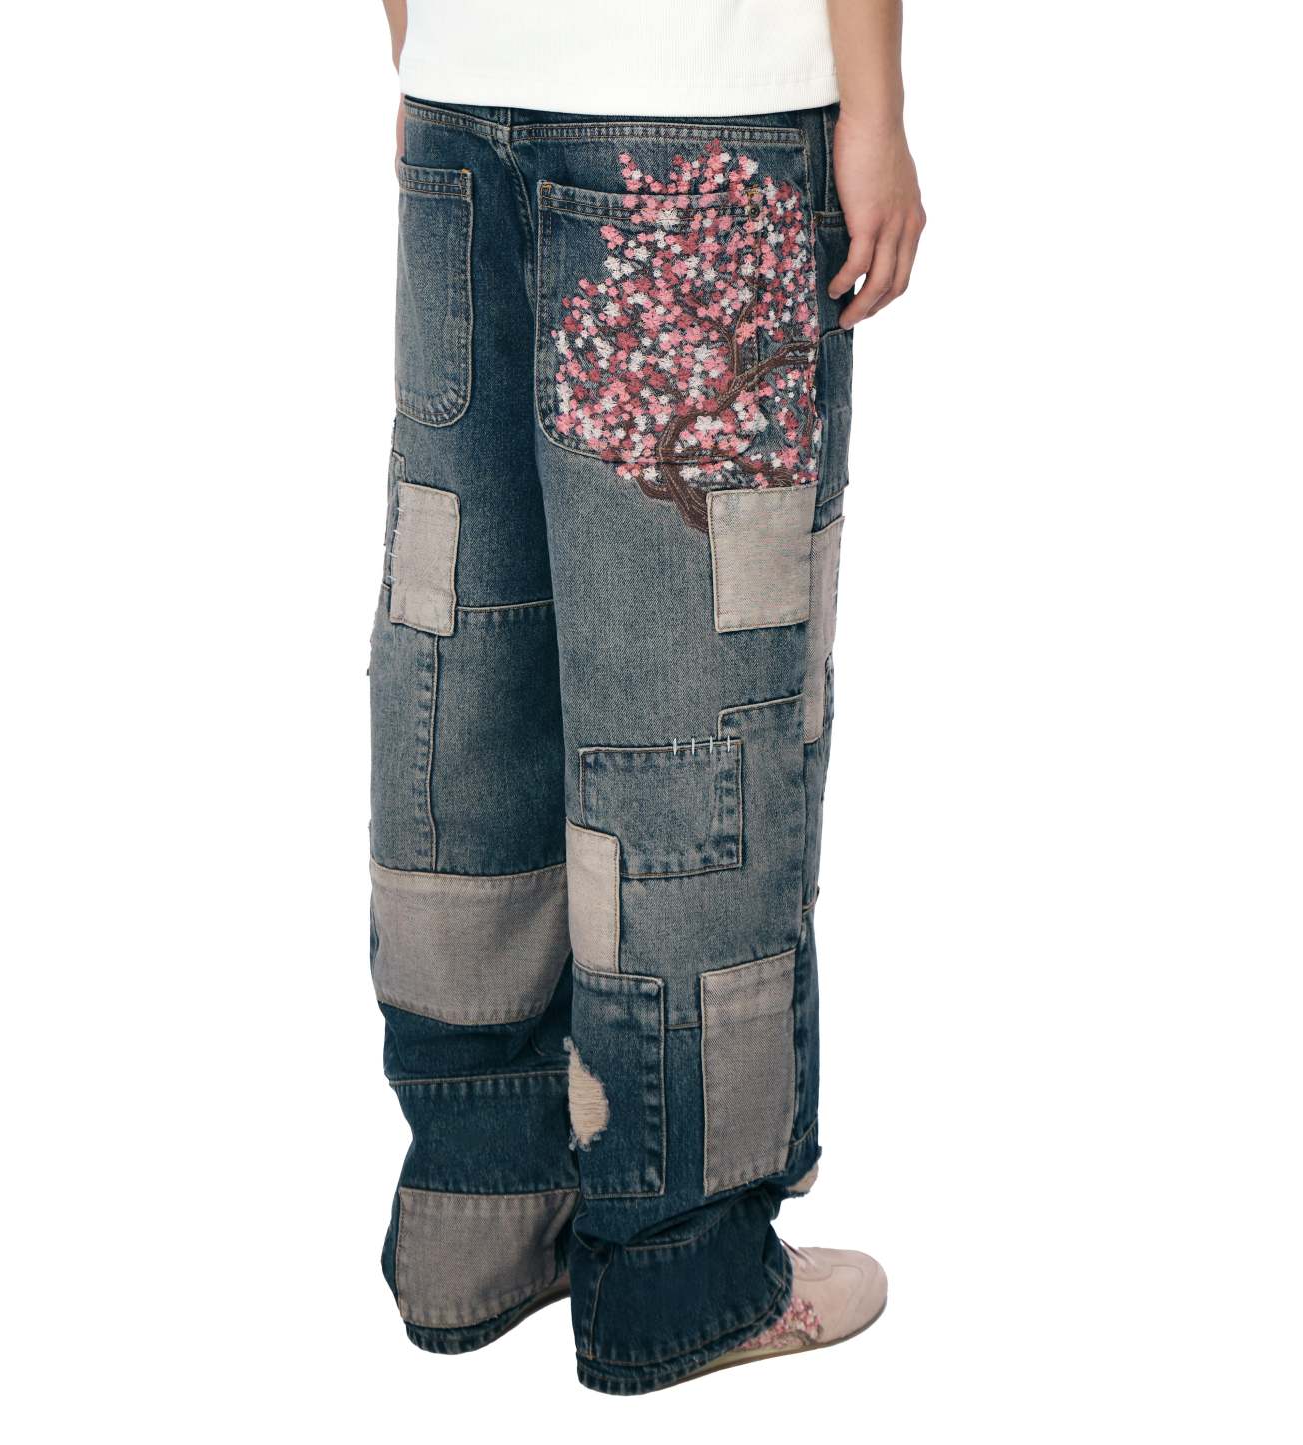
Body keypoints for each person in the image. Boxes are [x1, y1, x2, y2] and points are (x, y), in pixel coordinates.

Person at [370, 0, 924, 1395]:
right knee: (692, 707)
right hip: (698, 124)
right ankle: (683, 1275)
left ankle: (484, 1219)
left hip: (465, 109)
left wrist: (437, 57)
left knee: (473, 662)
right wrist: (875, 110)